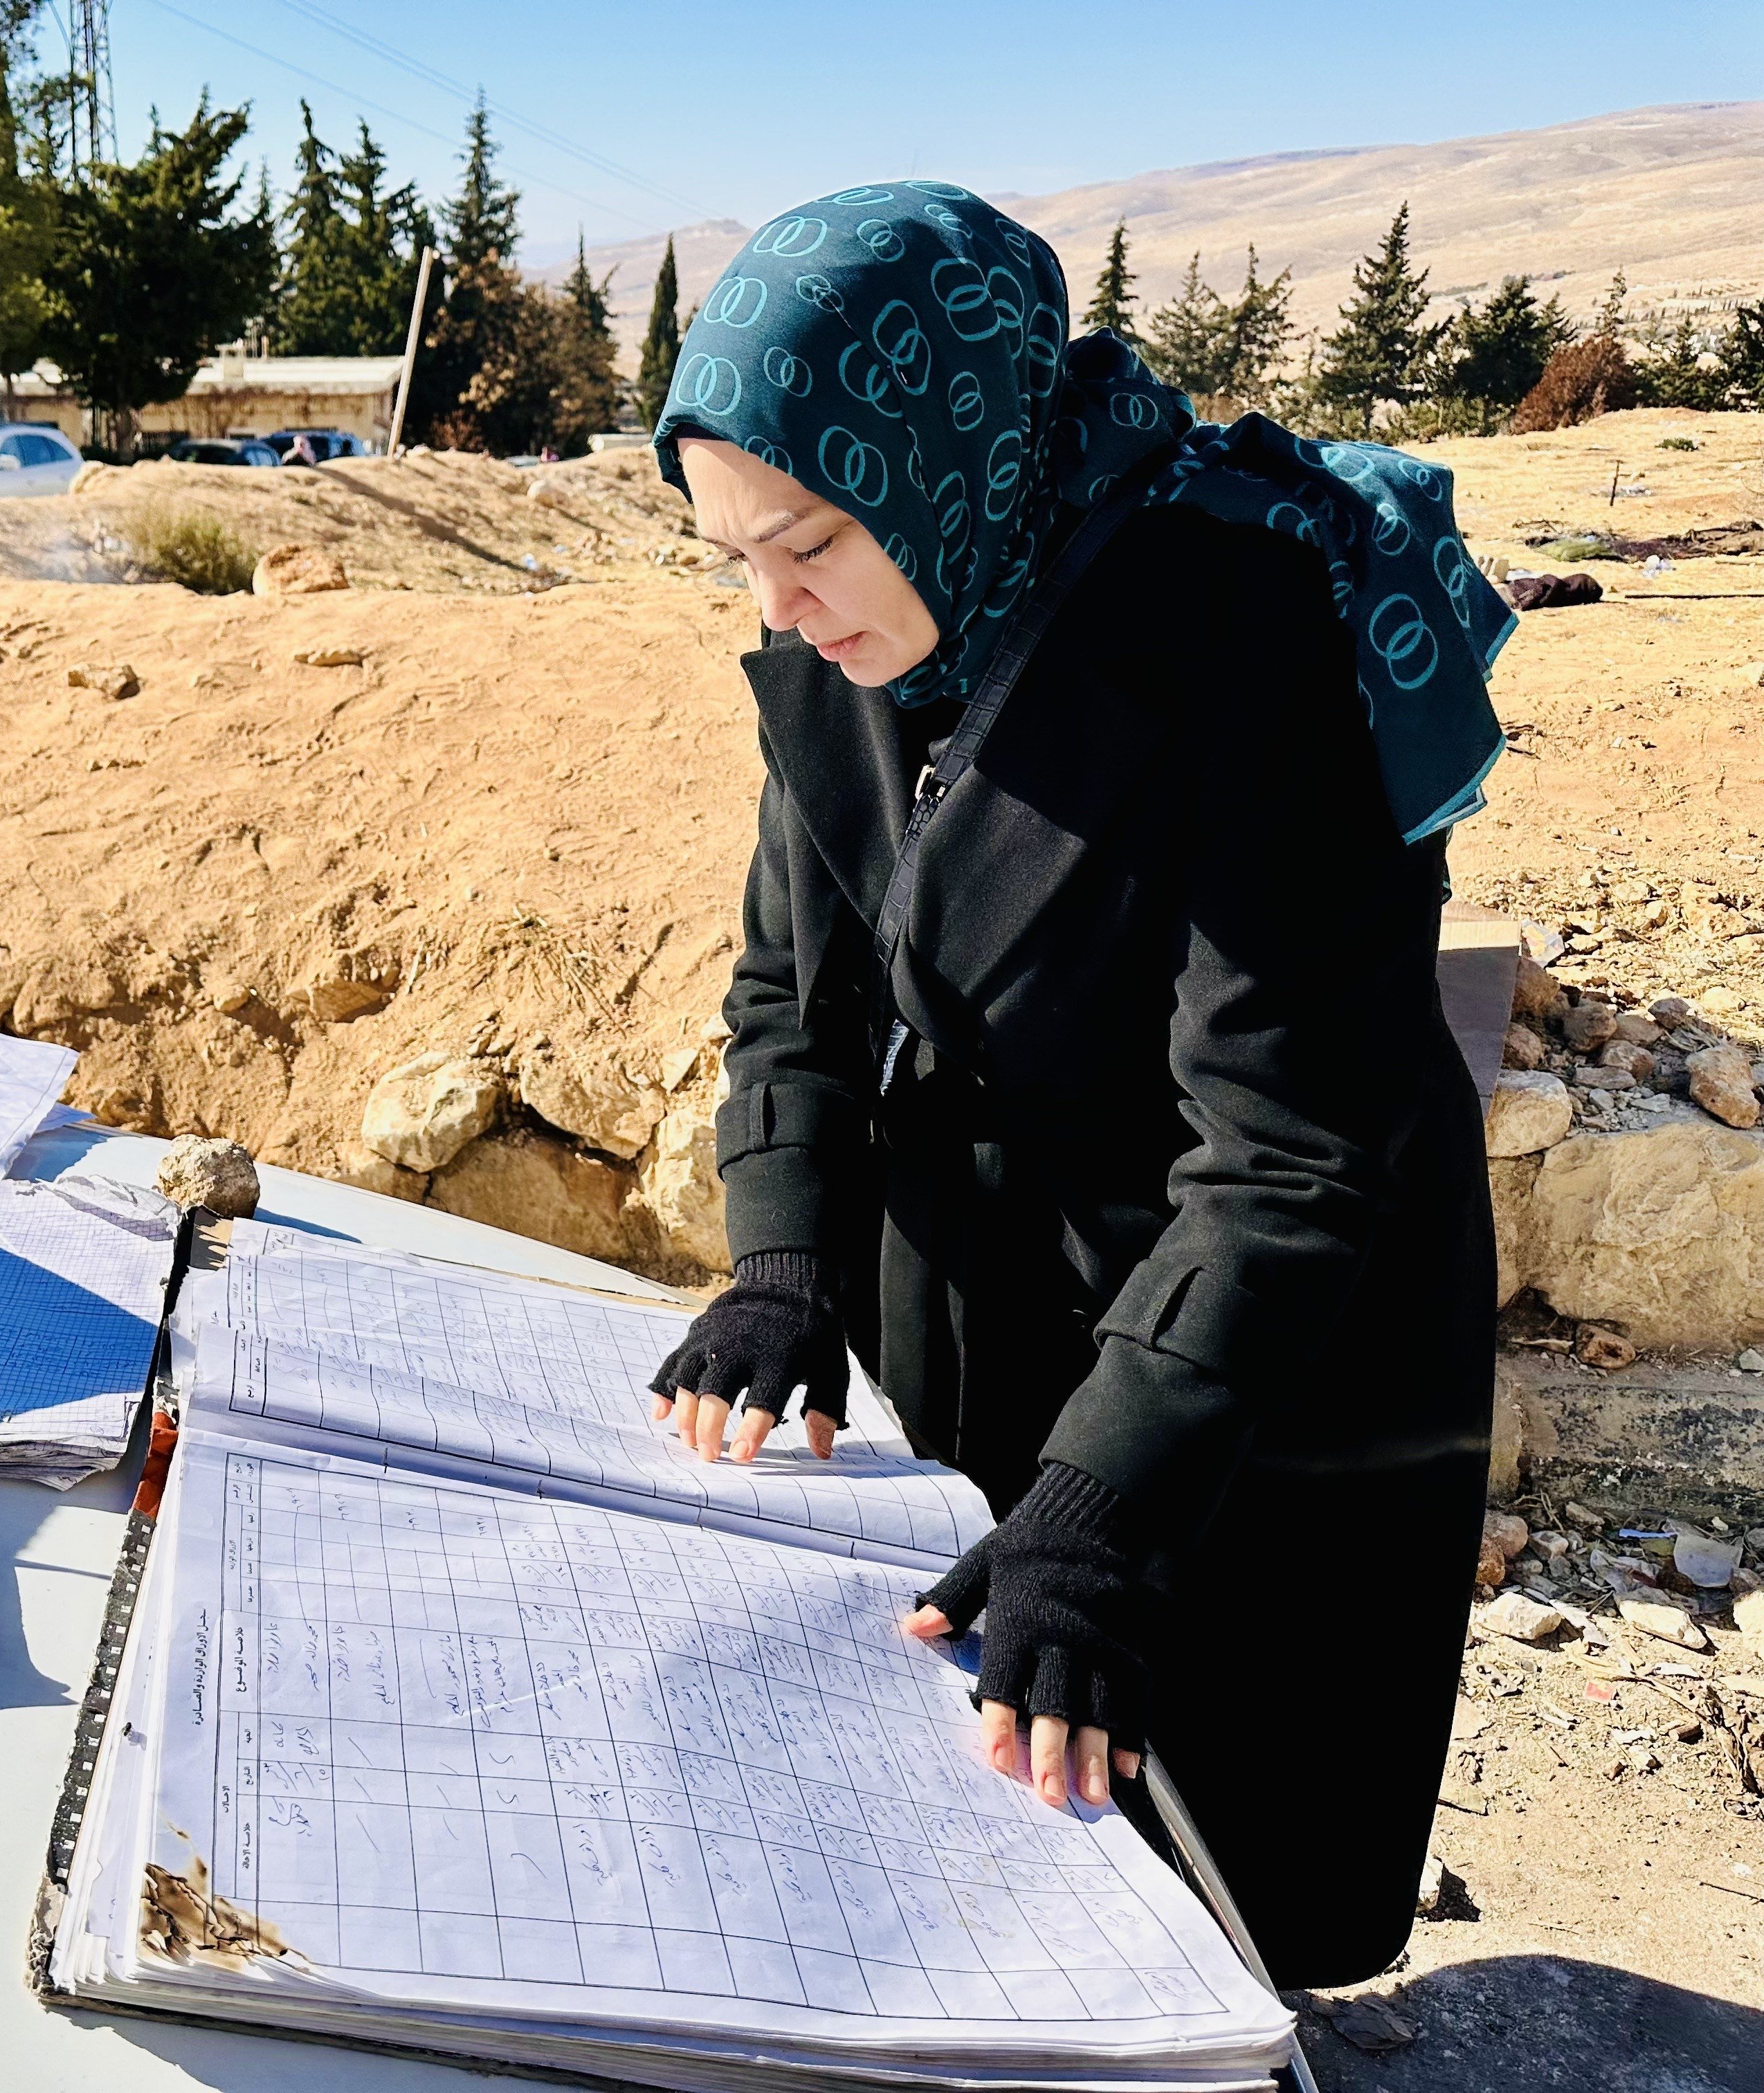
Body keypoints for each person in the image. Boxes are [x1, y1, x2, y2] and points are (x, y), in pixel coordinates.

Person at [642, 182, 1508, 1988]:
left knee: (1186, 1886)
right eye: (733, 556)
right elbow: (792, 994)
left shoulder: (1251, 638)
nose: (779, 606)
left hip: (1244, 1360)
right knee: (950, 1860)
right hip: (983, 1291)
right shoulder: (868, 641)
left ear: (939, 461)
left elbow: (1290, 1150)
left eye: (802, 541)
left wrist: (1108, 1509)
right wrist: (783, 1257)